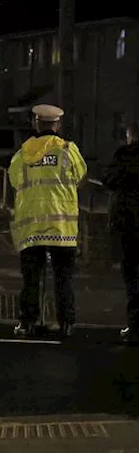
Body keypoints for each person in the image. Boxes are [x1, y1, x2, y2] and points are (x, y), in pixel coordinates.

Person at [9, 104, 87, 338]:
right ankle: (66, 323)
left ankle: (27, 323)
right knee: (64, 277)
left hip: (32, 227)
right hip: (62, 228)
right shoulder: (68, 150)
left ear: (36, 123)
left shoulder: (23, 154)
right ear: (58, 124)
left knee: (31, 277)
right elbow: (81, 176)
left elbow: (14, 180)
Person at [102, 123, 139, 345]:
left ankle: (135, 326)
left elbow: (109, 180)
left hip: (129, 224)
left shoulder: (124, 155)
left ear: (131, 136)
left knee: (132, 276)